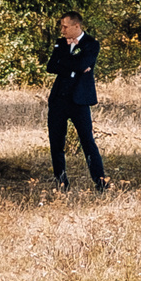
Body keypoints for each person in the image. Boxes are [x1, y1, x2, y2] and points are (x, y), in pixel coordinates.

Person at [46, 10, 109, 190]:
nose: (62, 30)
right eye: (61, 26)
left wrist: (67, 63)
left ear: (76, 26)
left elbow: (83, 64)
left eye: (65, 26)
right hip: (59, 99)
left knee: (87, 141)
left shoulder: (91, 44)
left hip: (79, 100)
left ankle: (100, 181)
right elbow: (51, 67)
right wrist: (74, 64)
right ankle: (61, 182)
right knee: (56, 141)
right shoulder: (60, 43)